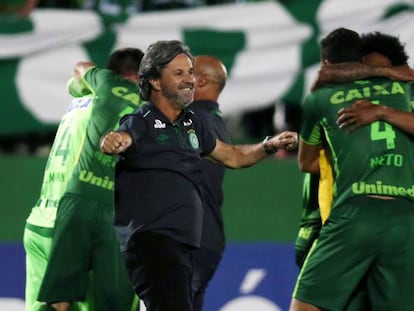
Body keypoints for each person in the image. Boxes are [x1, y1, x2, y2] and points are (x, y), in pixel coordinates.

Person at [100, 39, 298, 311]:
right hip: (153, 243)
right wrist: (115, 140)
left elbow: (233, 156)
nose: (189, 80)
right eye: (178, 73)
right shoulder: (142, 120)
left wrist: (267, 146)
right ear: (156, 82)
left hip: (181, 245)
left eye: (190, 72)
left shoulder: (192, 123)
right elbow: (122, 136)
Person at [291, 27, 414, 311]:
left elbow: (306, 163)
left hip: (347, 216)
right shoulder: (405, 91)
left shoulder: (321, 98)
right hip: (404, 217)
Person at [32, 47, 144, 311]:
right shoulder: (150, 108)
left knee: (58, 299)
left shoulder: (96, 89)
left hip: (57, 209)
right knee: (114, 301)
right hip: (113, 211)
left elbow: (80, 68)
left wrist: (79, 84)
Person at [188, 55, 229, 311]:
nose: (179, 78)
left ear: (201, 81)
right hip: (206, 238)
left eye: (186, 73)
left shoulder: (190, 121)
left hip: (189, 241)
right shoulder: (215, 122)